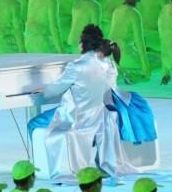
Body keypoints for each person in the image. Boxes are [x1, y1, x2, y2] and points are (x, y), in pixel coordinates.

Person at [33, 24, 126, 178]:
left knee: (35, 124)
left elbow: (55, 89)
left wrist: (44, 89)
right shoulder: (108, 64)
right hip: (103, 116)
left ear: (82, 44)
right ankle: (103, 166)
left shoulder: (77, 66)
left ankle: (43, 168)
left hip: (81, 118)